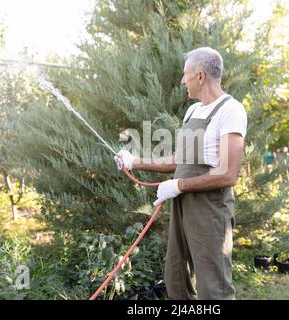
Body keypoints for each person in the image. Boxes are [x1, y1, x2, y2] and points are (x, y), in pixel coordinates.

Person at [114, 47, 247, 300]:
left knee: (213, 285)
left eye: (185, 75)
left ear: (200, 76)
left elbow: (228, 175)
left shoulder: (231, 110)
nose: (181, 81)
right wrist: (134, 162)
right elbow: (179, 160)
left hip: (210, 208)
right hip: (182, 205)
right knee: (175, 276)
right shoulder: (193, 111)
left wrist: (179, 186)